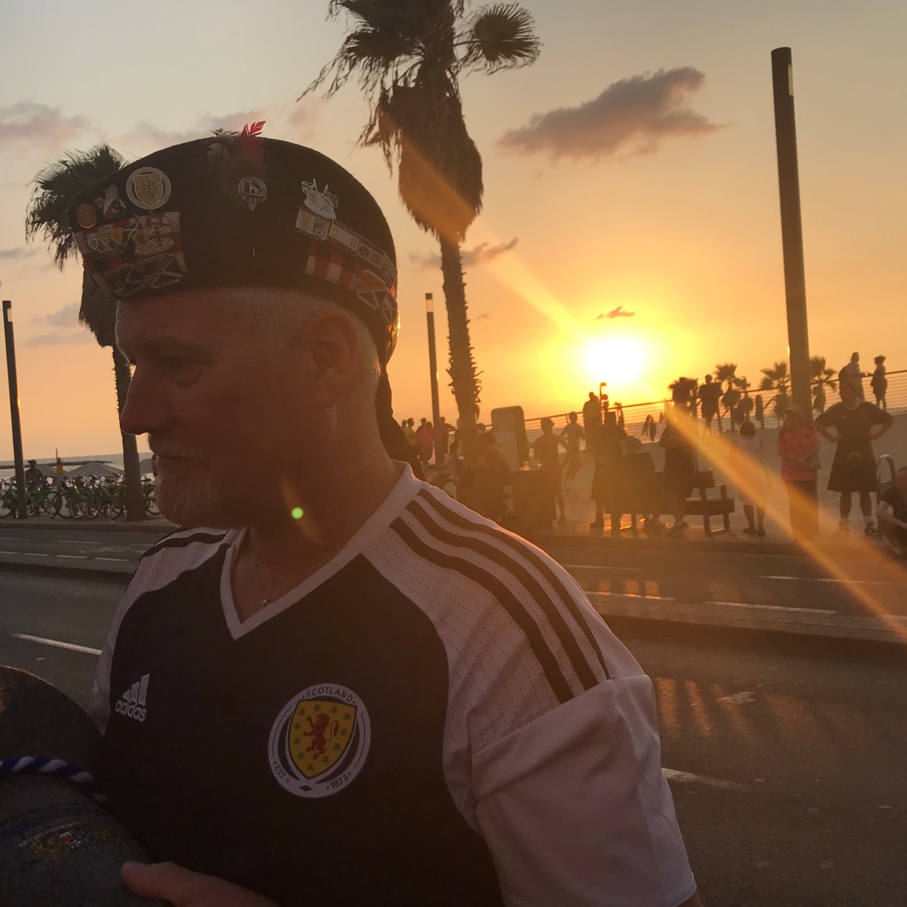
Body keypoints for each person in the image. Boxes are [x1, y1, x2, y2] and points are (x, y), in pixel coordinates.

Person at [67, 135, 700, 907]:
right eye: (134, 365)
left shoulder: (500, 629)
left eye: (178, 364)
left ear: (327, 358)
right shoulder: (159, 583)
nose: (135, 413)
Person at [815, 383, 893, 535]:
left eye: (846, 392)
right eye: (841, 392)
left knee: (865, 490)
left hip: (864, 449)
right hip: (843, 451)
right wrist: (831, 438)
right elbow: (818, 423)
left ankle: (868, 523)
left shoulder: (867, 407)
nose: (843, 395)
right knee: (845, 490)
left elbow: (888, 420)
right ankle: (843, 525)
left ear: (855, 392)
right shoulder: (837, 409)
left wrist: (876, 435)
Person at [776, 403, 821, 540]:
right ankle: (798, 531)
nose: (789, 417)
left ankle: (811, 530)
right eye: (788, 414)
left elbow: (816, 446)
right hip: (791, 474)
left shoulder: (808, 430)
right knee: (795, 503)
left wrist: (804, 459)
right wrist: (797, 462)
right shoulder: (783, 433)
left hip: (808, 473)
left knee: (809, 501)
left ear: (799, 416)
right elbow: (781, 451)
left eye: (792, 414)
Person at [659, 405, 698, 537]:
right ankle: (680, 522)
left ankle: (678, 523)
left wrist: (673, 442)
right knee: (666, 492)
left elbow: (689, 443)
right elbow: (662, 442)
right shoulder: (670, 427)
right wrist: (677, 442)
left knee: (681, 496)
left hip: (685, 467)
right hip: (670, 467)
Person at [728, 421, 769, 536]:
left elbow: (731, 461)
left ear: (740, 430)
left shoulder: (736, 442)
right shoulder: (759, 439)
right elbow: (762, 454)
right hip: (759, 472)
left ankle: (751, 525)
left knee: (747, 501)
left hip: (744, 474)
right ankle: (760, 524)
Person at [590, 411, 626, 533]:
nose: (612, 424)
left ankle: (616, 516)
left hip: (616, 465)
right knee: (598, 493)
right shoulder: (598, 431)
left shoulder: (619, 431)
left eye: (613, 422)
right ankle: (599, 517)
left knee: (616, 491)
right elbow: (591, 449)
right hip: (601, 465)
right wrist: (601, 459)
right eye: (610, 422)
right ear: (605, 421)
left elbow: (626, 444)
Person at [533, 416, 569, 525]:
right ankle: (547, 515)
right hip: (544, 469)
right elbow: (535, 455)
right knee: (546, 493)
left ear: (550, 425)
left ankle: (562, 515)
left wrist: (564, 463)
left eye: (545, 425)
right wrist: (540, 451)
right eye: (542, 425)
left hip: (555, 468)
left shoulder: (556, 438)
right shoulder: (538, 441)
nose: (544, 427)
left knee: (558, 491)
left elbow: (569, 449)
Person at [472, 431, 511, 522]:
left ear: (486, 442)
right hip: (490, 488)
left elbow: (480, 466)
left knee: (485, 513)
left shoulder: (491, 453)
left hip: (490, 489)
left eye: (481, 442)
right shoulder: (492, 453)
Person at [877, 466, 907, 558]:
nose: (898, 482)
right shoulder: (892, 492)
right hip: (901, 527)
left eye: (901, 479)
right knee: (881, 517)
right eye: (896, 479)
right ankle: (897, 549)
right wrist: (902, 524)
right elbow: (880, 511)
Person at [560, 410, 585, 484]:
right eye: (574, 416)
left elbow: (583, 437)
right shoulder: (571, 427)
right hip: (571, 448)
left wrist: (579, 434)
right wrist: (567, 440)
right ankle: (570, 479)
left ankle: (566, 481)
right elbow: (561, 437)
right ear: (571, 418)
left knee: (572, 465)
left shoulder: (577, 427)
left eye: (576, 416)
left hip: (575, 447)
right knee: (579, 464)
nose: (576, 418)